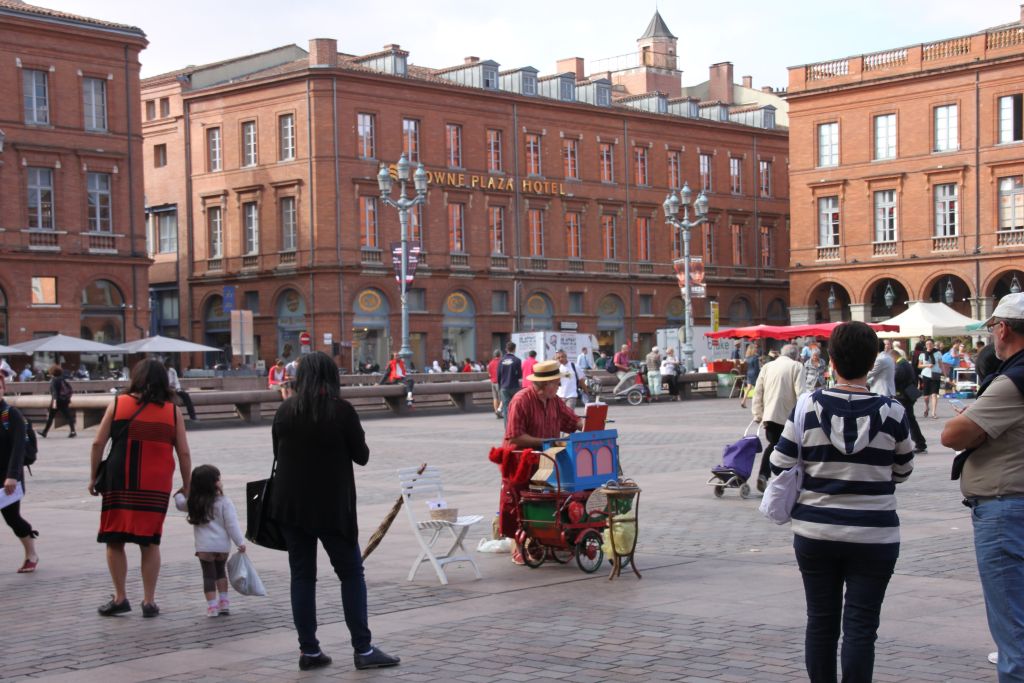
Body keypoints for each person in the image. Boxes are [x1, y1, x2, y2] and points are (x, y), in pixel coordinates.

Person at [771, 321, 914, 683]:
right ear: (872, 363)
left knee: (821, 622)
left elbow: (779, 462)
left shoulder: (807, 406)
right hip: (875, 536)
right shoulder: (893, 411)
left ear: (830, 361)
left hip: (816, 532)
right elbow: (903, 469)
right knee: (862, 627)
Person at [270, 351, 400, 672]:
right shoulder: (341, 412)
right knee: (351, 574)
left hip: (291, 508)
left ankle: (310, 651)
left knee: (302, 576)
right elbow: (362, 456)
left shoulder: (285, 411)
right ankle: (363, 649)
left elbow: (277, 453)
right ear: (331, 377)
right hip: (332, 508)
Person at [941, 293, 1024, 682]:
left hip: (1006, 508)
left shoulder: (1014, 379)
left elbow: (953, 434)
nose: (991, 335)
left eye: (992, 327)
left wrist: (973, 423)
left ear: (1003, 328)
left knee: (1014, 631)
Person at [90, 358, 192, 618]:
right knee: (149, 542)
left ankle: (120, 597)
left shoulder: (118, 404)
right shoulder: (171, 411)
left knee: (114, 539)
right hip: (154, 484)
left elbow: (97, 444)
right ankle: (149, 601)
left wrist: (93, 477)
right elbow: (183, 452)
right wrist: (187, 486)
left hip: (119, 478)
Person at [173, 464, 245, 617]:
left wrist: (180, 492)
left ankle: (212, 607)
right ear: (214, 483)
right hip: (222, 547)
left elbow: (179, 504)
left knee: (208, 576)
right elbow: (231, 524)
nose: (220, 481)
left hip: (204, 547)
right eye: (218, 478)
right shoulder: (225, 502)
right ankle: (224, 602)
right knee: (220, 573)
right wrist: (240, 542)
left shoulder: (193, 502)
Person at [751, 344, 805, 489]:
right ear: (795, 355)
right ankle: (788, 479)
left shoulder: (767, 367)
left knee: (773, 446)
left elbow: (758, 392)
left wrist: (758, 414)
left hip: (769, 416)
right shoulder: (797, 366)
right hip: (788, 416)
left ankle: (764, 474)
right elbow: (801, 393)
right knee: (792, 448)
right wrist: (804, 415)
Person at [1, 376, 39, 573]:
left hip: (8, 477)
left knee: (12, 518)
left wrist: (12, 476)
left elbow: (18, 448)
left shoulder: (11, 414)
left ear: (4, 388)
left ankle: (31, 553)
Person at [504, 360, 584, 449]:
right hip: (523, 458)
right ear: (546, 384)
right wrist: (549, 442)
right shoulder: (521, 401)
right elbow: (515, 437)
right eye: (557, 383)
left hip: (547, 457)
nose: (559, 386)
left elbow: (572, 420)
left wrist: (590, 428)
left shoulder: (555, 400)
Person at [893, 349, 927, 454]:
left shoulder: (901, 365)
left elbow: (897, 378)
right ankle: (919, 442)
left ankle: (920, 442)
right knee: (909, 420)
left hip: (904, 396)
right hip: (907, 395)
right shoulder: (904, 363)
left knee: (909, 420)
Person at [40, 365, 76, 438]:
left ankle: (44, 432)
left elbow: (54, 393)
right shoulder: (62, 379)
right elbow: (70, 389)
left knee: (50, 417)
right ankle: (73, 431)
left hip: (57, 401)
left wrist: (54, 404)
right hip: (64, 401)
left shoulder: (54, 381)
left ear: (52, 372)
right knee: (68, 416)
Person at [496, 342, 522, 424]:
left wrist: (500, 386)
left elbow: (498, 375)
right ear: (514, 349)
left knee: (506, 408)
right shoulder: (517, 360)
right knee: (516, 407)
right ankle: (516, 425)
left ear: (506, 349)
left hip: (504, 387)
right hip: (514, 386)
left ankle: (507, 429)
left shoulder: (501, 361)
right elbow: (520, 375)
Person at [918, 339, 942, 418]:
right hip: (926, 374)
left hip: (936, 374)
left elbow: (941, 364)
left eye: (930, 344)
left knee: (934, 394)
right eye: (927, 344)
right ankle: (927, 407)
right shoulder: (922, 354)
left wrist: (944, 373)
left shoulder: (938, 353)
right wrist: (927, 365)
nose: (929, 345)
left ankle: (933, 412)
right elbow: (919, 365)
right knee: (926, 396)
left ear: (933, 344)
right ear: (925, 345)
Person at [739, 344, 761, 409]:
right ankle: (757, 403)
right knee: (758, 389)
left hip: (749, 373)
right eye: (755, 348)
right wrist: (759, 374)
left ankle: (743, 401)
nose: (756, 349)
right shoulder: (755, 357)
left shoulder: (747, 358)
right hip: (754, 374)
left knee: (748, 388)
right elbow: (757, 368)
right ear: (753, 350)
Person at [487, 350, 502, 419]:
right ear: (500, 355)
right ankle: (499, 411)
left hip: (492, 382)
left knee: (495, 398)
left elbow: (489, 374)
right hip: (499, 382)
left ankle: (496, 411)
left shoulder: (490, 363)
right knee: (501, 398)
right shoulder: (501, 362)